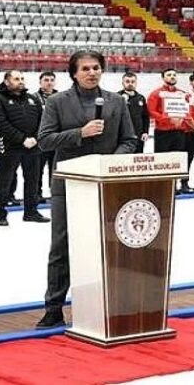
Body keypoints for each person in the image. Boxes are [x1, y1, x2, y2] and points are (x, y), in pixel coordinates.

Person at [36, 51, 138, 329]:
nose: (92, 72)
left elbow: (129, 140)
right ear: (74, 73)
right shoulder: (57, 102)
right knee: (62, 247)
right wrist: (80, 133)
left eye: (96, 68)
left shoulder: (117, 101)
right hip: (68, 185)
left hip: (105, 184)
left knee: (106, 245)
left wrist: (111, 162)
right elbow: (44, 140)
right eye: (85, 68)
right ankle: (53, 307)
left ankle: (102, 302)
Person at [0, 70, 50, 226]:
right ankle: (0, 213)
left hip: (33, 146)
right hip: (9, 146)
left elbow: (43, 121)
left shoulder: (32, 99)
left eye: (22, 78)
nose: (21, 81)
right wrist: (22, 139)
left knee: (33, 180)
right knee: (5, 180)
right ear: (7, 81)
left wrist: (35, 138)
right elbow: (0, 123)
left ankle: (31, 212)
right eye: (16, 79)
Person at [147, 68, 189, 154]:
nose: (172, 77)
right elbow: (151, 111)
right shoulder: (155, 93)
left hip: (179, 132)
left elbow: (188, 110)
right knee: (162, 161)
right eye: (169, 75)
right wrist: (168, 119)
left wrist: (183, 118)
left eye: (174, 75)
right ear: (163, 78)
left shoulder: (183, 94)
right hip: (163, 132)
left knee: (178, 160)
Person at [32, 71, 59, 202]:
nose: (49, 82)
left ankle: (55, 193)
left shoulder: (61, 97)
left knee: (55, 170)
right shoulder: (33, 98)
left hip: (56, 140)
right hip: (40, 140)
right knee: (37, 170)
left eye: (51, 80)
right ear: (40, 82)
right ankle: (36, 194)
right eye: (46, 80)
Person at [118, 71, 149, 153]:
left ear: (136, 83)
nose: (130, 84)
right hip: (122, 136)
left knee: (137, 158)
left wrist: (145, 132)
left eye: (133, 81)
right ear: (122, 83)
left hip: (138, 135)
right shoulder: (117, 97)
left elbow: (145, 116)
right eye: (127, 81)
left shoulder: (141, 98)